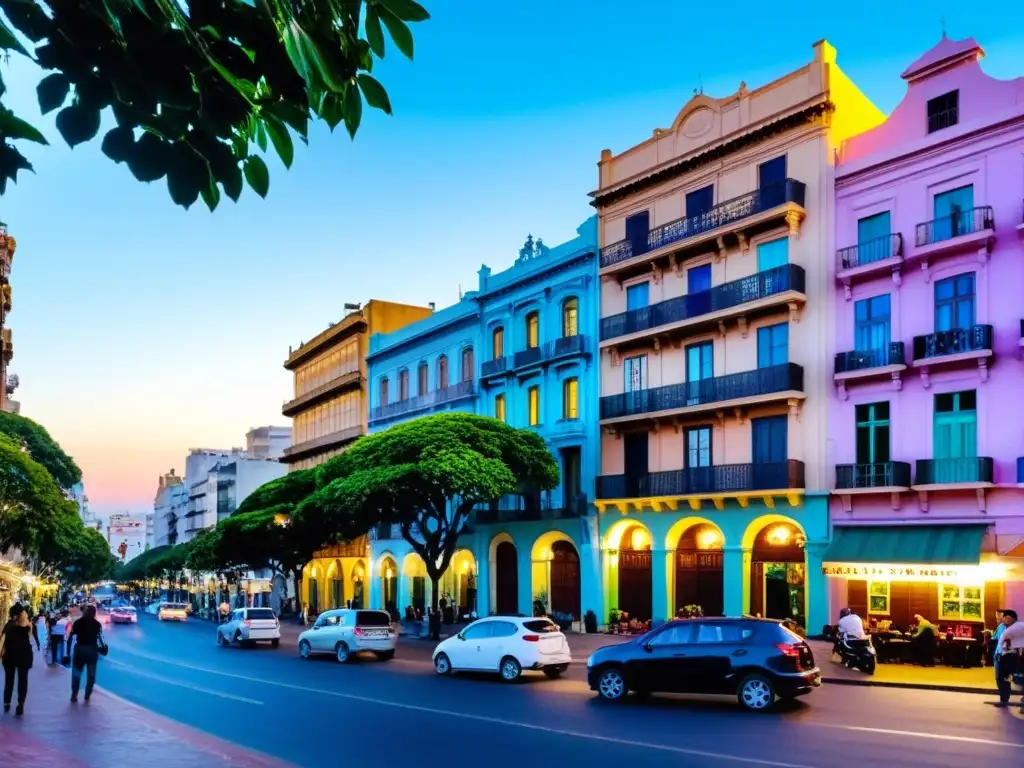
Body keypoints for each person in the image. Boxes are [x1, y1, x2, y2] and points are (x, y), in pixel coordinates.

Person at [0, 603, 40, 716]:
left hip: (10, 656)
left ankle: (7, 703)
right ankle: (21, 704)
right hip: (24, 656)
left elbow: (2, 641)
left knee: (9, 680)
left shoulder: (8, 626)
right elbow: (29, 636)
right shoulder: (28, 625)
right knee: (23, 681)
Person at [70, 605, 104, 703]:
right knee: (91, 675)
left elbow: (70, 637)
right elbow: (100, 637)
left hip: (80, 649)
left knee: (76, 673)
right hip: (92, 650)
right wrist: (103, 647)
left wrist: (67, 653)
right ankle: (87, 694)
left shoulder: (78, 623)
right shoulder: (97, 624)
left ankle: (74, 694)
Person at [994, 609, 1023, 708]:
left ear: (1013, 618)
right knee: (1000, 678)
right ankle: (1004, 699)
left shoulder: (1019, 628)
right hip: (999, 656)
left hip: (1013, 656)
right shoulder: (1001, 627)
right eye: (1003, 617)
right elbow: (996, 639)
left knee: (1017, 678)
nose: (1003, 619)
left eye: (1006, 617)